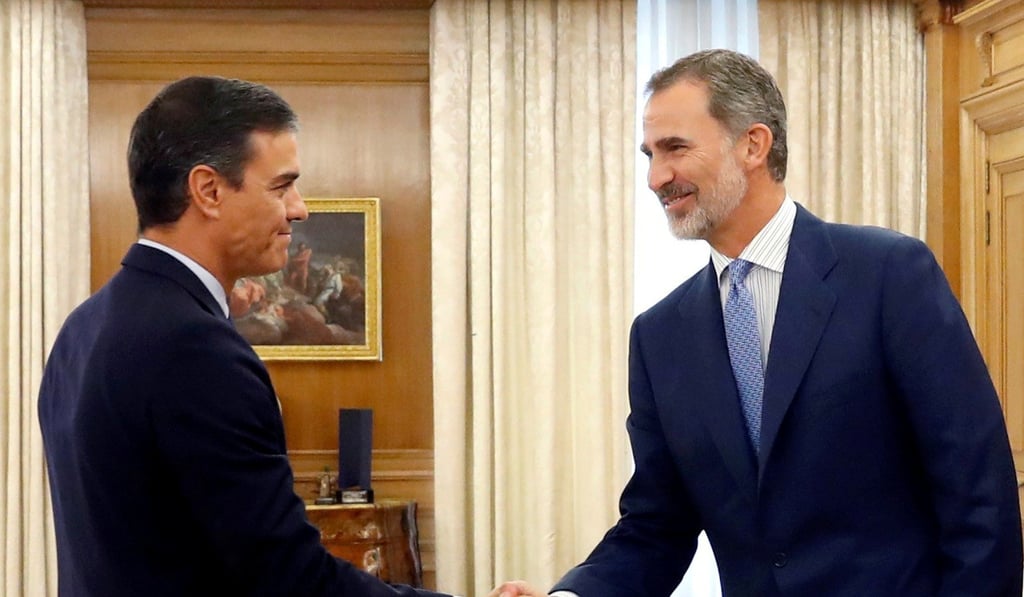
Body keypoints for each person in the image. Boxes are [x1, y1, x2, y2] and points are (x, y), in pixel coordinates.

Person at [491, 49, 1023, 597]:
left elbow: (977, 492)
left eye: (675, 148)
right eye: (649, 154)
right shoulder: (659, 336)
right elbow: (656, 524)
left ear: (753, 144)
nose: (655, 177)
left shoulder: (888, 274)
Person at [38, 76, 450, 597]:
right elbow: (291, 583)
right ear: (209, 190)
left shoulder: (83, 326)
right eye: (281, 186)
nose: (298, 209)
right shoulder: (194, 347)